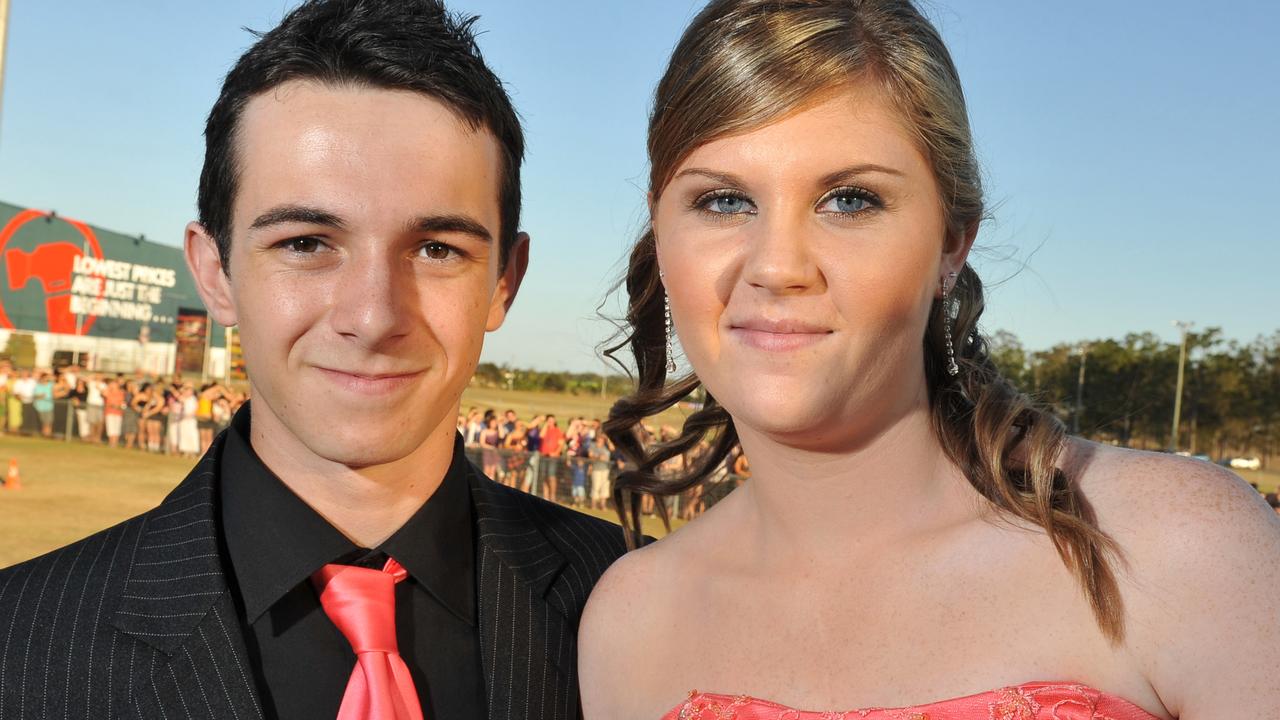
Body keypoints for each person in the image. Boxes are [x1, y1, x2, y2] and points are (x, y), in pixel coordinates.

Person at [579, 1, 1280, 719]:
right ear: (660, 232)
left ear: (953, 243)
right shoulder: (629, 623)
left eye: (849, 200)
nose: (777, 265)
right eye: (724, 202)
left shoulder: (1181, 551)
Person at [0, 2, 626, 718]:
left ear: (503, 284)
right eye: (305, 243)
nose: (372, 316)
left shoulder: (643, 607)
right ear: (215, 272)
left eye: (437, 249)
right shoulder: (19, 643)